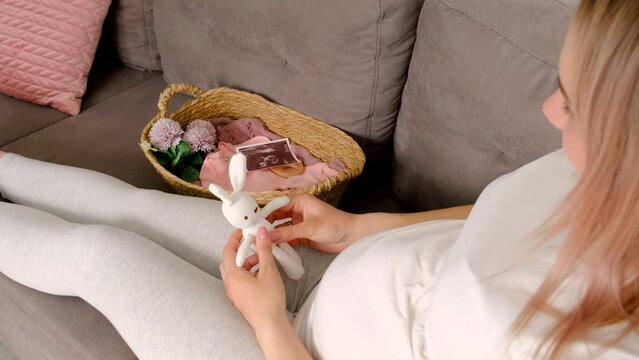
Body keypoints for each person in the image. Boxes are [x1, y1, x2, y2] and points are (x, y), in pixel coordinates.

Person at [1, 0, 637, 358]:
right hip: (338, 276)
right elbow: (490, 220)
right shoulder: (596, 171)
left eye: (573, 103)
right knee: (130, 209)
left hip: (294, 348)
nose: (549, 112)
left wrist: (270, 324)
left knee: (101, 256)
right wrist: (359, 226)